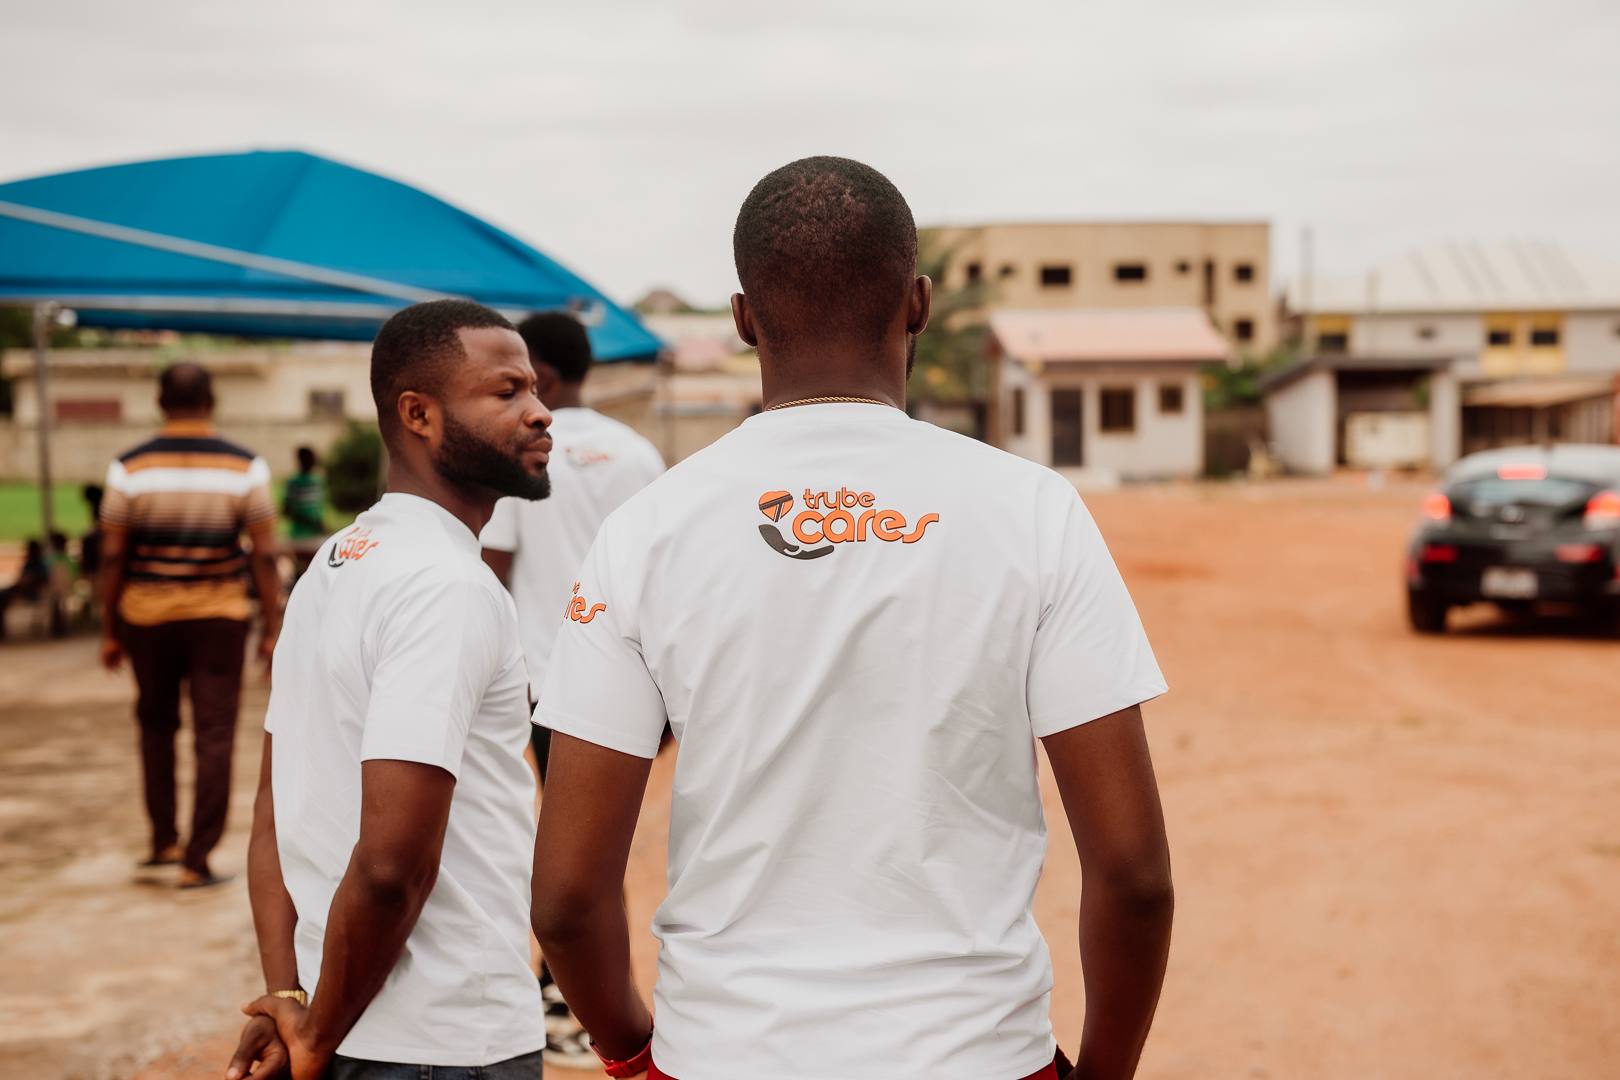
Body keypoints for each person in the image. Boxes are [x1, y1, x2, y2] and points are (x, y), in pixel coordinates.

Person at [529, 157, 1175, 1080]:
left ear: (744, 318)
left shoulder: (647, 530)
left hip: (723, 1053)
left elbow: (565, 897)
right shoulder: (1033, 510)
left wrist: (634, 1055)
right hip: (975, 1057)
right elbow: (1135, 875)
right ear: (918, 304)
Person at [226, 300, 553, 1080]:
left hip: (349, 1021)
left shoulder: (336, 562)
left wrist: (294, 999)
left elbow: (273, 813)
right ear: (418, 415)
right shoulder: (446, 587)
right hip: (447, 1042)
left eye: (536, 389)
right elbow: (391, 865)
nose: (541, 412)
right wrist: (311, 1033)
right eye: (507, 391)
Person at [479, 311, 663, 1070]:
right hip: (632, 679)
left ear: (545, 375)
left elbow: (491, 570)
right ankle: (582, 999)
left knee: (565, 844)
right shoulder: (640, 453)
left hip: (546, 678)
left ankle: (567, 1004)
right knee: (601, 841)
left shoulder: (528, 453)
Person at [99, 362, 281, 888]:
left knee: (155, 727)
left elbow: (112, 555)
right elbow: (265, 555)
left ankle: (164, 840)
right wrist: (272, 628)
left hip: (146, 617)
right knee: (214, 734)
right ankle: (196, 861)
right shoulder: (245, 467)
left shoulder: (128, 468)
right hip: (219, 617)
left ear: (159, 402)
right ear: (211, 402)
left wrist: (110, 629)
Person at [282, 446, 328, 582]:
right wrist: (312, 521)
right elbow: (287, 510)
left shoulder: (313, 481)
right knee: (308, 571)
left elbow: (287, 510)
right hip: (306, 536)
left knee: (305, 572)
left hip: (307, 536)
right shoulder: (304, 482)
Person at [0, 537, 48, 638]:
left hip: (30, 593)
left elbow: (31, 582)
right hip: (23, 590)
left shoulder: (38, 565)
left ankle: (2, 630)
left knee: (2, 597)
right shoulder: (34, 564)